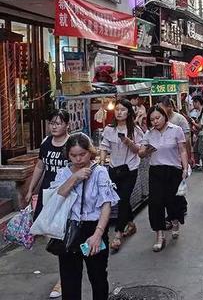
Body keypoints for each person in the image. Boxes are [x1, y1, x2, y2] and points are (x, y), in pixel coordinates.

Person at [50, 133, 119, 300]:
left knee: (98, 278)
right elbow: (56, 197)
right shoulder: (63, 173)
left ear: (90, 152)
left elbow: (106, 204)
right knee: (70, 281)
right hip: (69, 229)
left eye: (83, 154)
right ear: (68, 154)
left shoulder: (100, 172)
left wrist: (98, 234)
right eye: (73, 155)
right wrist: (75, 177)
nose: (78, 159)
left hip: (93, 227)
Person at [25, 110, 70, 299]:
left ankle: (63, 279)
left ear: (67, 125)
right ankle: (66, 268)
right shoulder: (45, 143)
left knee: (62, 234)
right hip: (47, 195)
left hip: (66, 195)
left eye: (58, 123)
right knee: (50, 235)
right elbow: (40, 166)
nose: (54, 126)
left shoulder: (72, 143)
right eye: (52, 123)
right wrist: (30, 189)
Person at [139, 105, 189, 251]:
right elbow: (141, 153)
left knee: (173, 201)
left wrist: (185, 168)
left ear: (164, 116)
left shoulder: (176, 130)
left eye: (157, 118)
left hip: (173, 170)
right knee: (155, 203)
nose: (155, 121)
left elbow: (182, 150)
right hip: (156, 171)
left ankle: (174, 221)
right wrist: (146, 151)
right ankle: (159, 235)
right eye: (152, 119)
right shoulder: (149, 134)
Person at [98, 99, 143, 252]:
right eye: (117, 109)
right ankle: (130, 224)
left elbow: (139, 151)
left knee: (123, 199)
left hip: (130, 168)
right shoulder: (109, 129)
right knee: (121, 199)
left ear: (129, 112)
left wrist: (127, 141)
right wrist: (102, 163)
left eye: (123, 110)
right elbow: (104, 147)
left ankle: (117, 234)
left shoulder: (135, 130)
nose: (119, 112)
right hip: (113, 168)